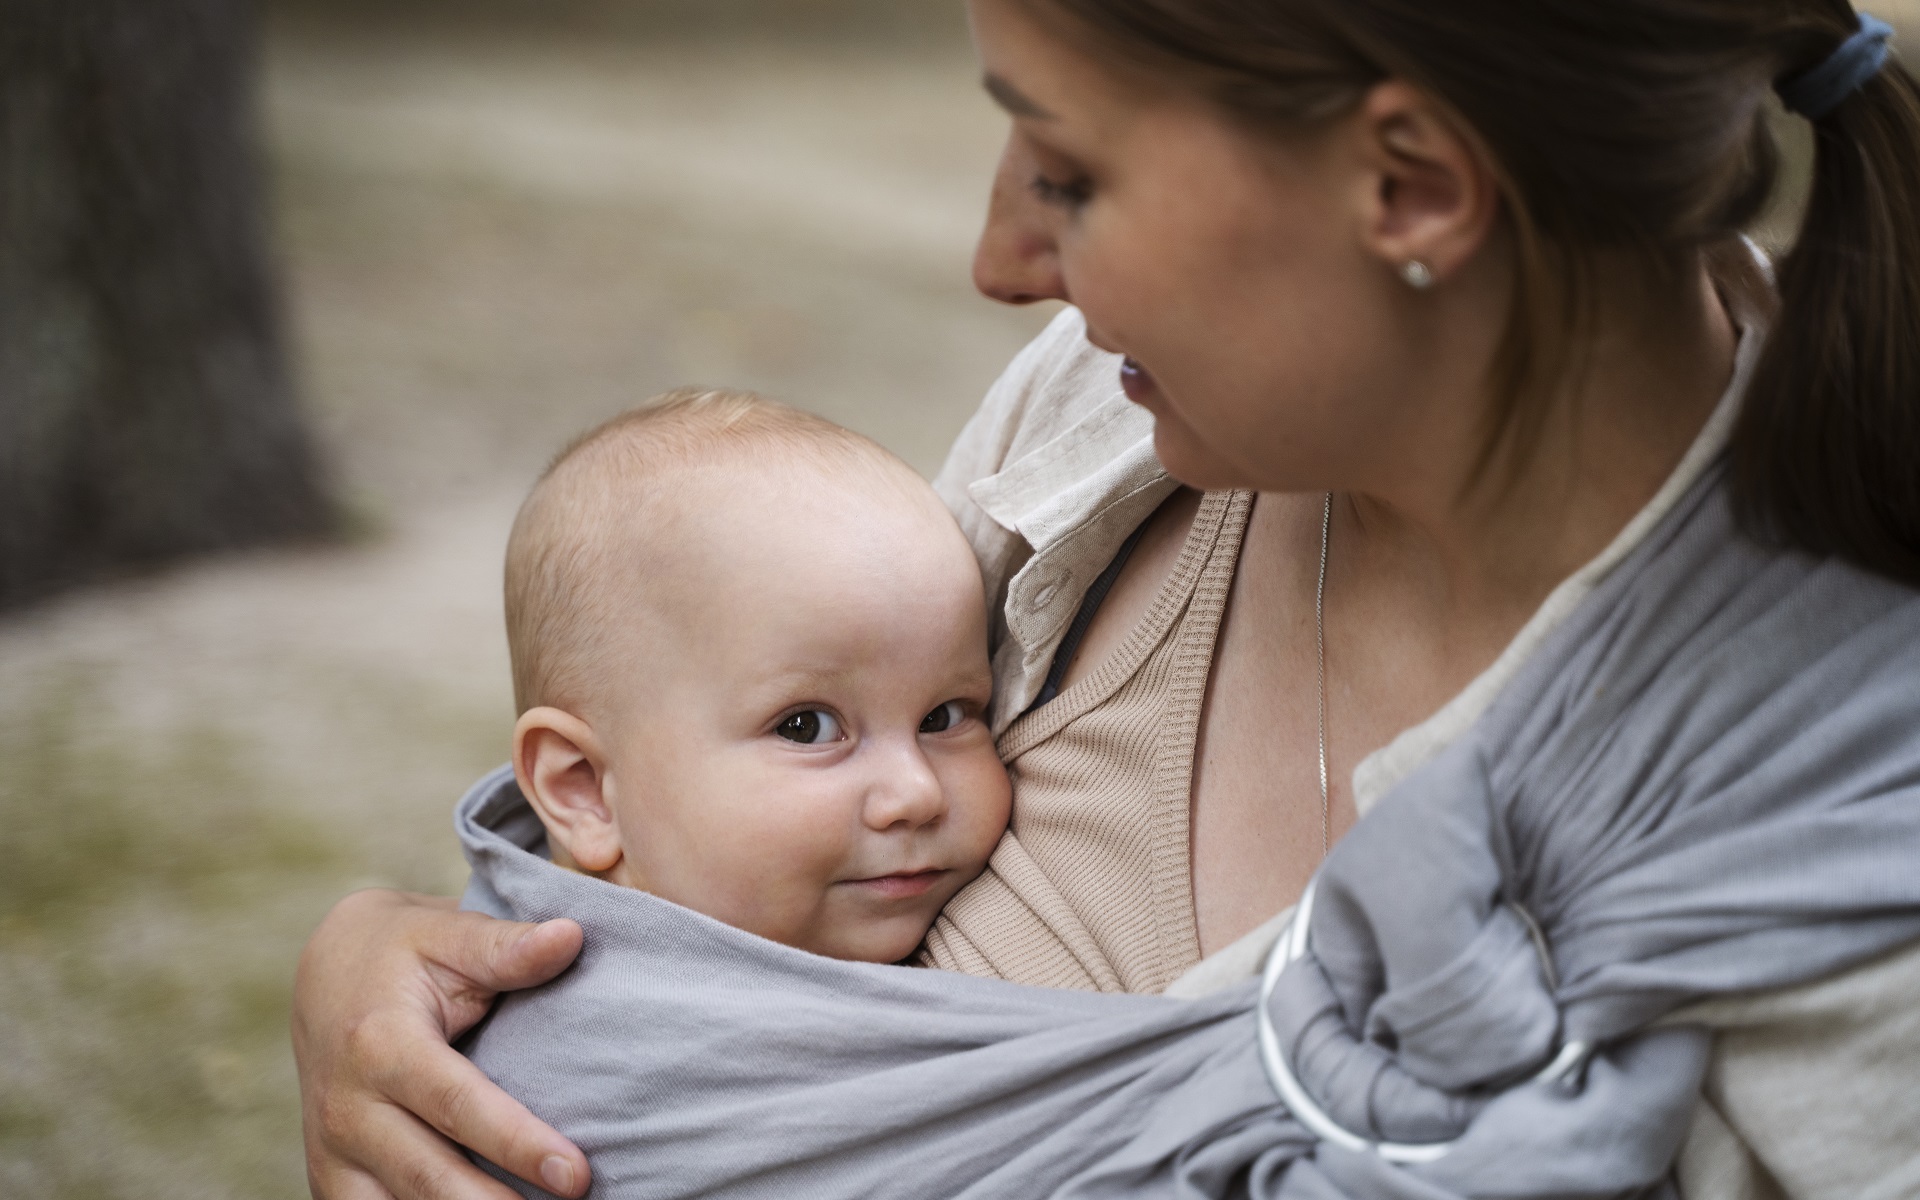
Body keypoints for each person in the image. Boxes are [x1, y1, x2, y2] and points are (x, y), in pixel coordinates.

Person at [291, 2, 1920, 1198]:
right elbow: (690, 836)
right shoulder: (1100, 432)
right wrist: (407, 979)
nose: (1002, 257)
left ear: (1412, 186)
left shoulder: (1846, 818)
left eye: (1066, 171)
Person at [478, 389, 1010, 965]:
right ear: (582, 789)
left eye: (943, 717)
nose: (917, 794)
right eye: (805, 727)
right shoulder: (643, 1042)